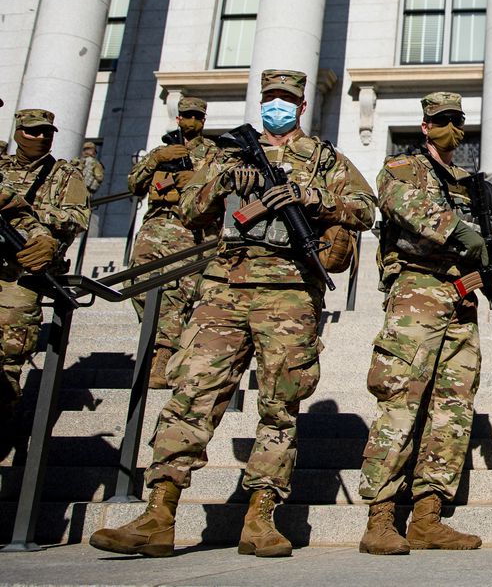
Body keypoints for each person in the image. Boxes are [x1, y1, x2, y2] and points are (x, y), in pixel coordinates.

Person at [91, 69, 376, 559]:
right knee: (192, 396)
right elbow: (188, 210)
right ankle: (159, 511)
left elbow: (367, 208)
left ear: (302, 106)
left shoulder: (325, 159)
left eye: (287, 99)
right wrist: (222, 181)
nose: (278, 107)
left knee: (279, 406)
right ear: (260, 102)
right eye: (270, 99)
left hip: (288, 294)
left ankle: (261, 516)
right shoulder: (228, 153)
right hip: (224, 287)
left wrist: (313, 198)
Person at [357, 91, 492, 555]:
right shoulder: (401, 168)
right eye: (441, 119)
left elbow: (486, 242)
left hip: (463, 299)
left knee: (453, 408)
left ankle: (428, 516)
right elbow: (405, 208)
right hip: (417, 292)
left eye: (457, 119)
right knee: (401, 401)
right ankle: (381, 517)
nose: (451, 127)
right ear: (425, 125)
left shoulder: (471, 182)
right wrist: (457, 231)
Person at [0, 105, 88, 428]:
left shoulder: (64, 174)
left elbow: (77, 218)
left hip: (25, 275)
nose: (39, 137)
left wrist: (42, 232)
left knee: (8, 360)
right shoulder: (1, 166)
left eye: (46, 132)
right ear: (17, 132)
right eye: (32, 131)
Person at [125, 96, 222, 387]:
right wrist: (155, 160)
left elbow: (222, 189)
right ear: (177, 118)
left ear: (203, 121)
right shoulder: (162, 151)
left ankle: (163, 355)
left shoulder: (213, 153)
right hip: (155, 226)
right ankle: (162, 342)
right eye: (186, 116)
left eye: (197, 116)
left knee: (175, 292)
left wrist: (194, 179)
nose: (191, 121)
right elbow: (134, 184)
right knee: (137, 286)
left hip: (189, 229)